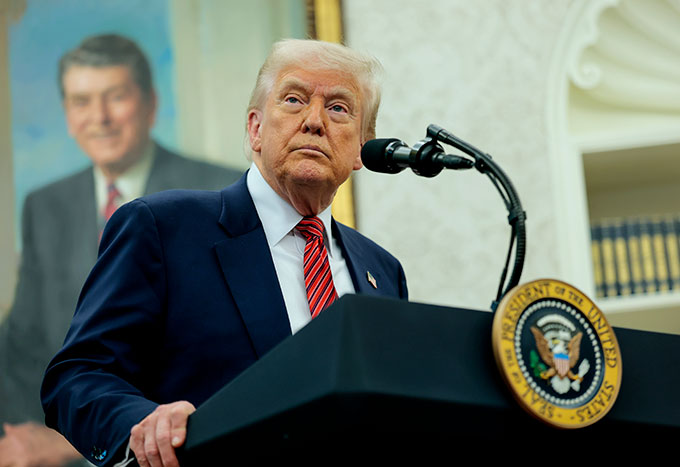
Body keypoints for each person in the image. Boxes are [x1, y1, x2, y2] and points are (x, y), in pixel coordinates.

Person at [40, 39, 408, 467]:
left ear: (363, 146)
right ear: (254, 127)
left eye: (339, 108)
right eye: (293, 99)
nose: (314, 121)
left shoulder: (382, 270)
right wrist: (144, 425)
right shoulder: (162, 227)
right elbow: (77, 377)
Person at [0, 34, 242, 466]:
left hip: (184, 450)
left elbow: (233, 353)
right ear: (67, 115)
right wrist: (25, 434)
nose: (100, 117)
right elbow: (23, 345)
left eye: (115, 97)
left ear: (149, 104)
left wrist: (69, 443)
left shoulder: (219, 192)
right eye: (81, 101)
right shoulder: (45, 205)